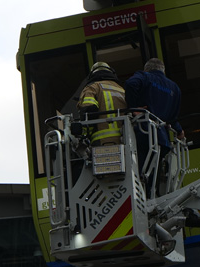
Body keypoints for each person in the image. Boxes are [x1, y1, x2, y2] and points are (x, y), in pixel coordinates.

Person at [123, 58, 183, 192]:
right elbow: (173, 118)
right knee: (152, 176)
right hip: (162, 140)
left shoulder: (144, 77)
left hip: (144, 134)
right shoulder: (175, 88)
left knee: (140, 174)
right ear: (163, 70)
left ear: (147, 69)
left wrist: (133, 109)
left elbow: (131, 83)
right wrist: (179, 131)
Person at [75, 61, 126, 145]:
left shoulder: (92, 88)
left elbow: (88, 110)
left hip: (102, 141)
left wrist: (85, 133)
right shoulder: (121, 90)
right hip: (125, 140)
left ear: (92, 75)